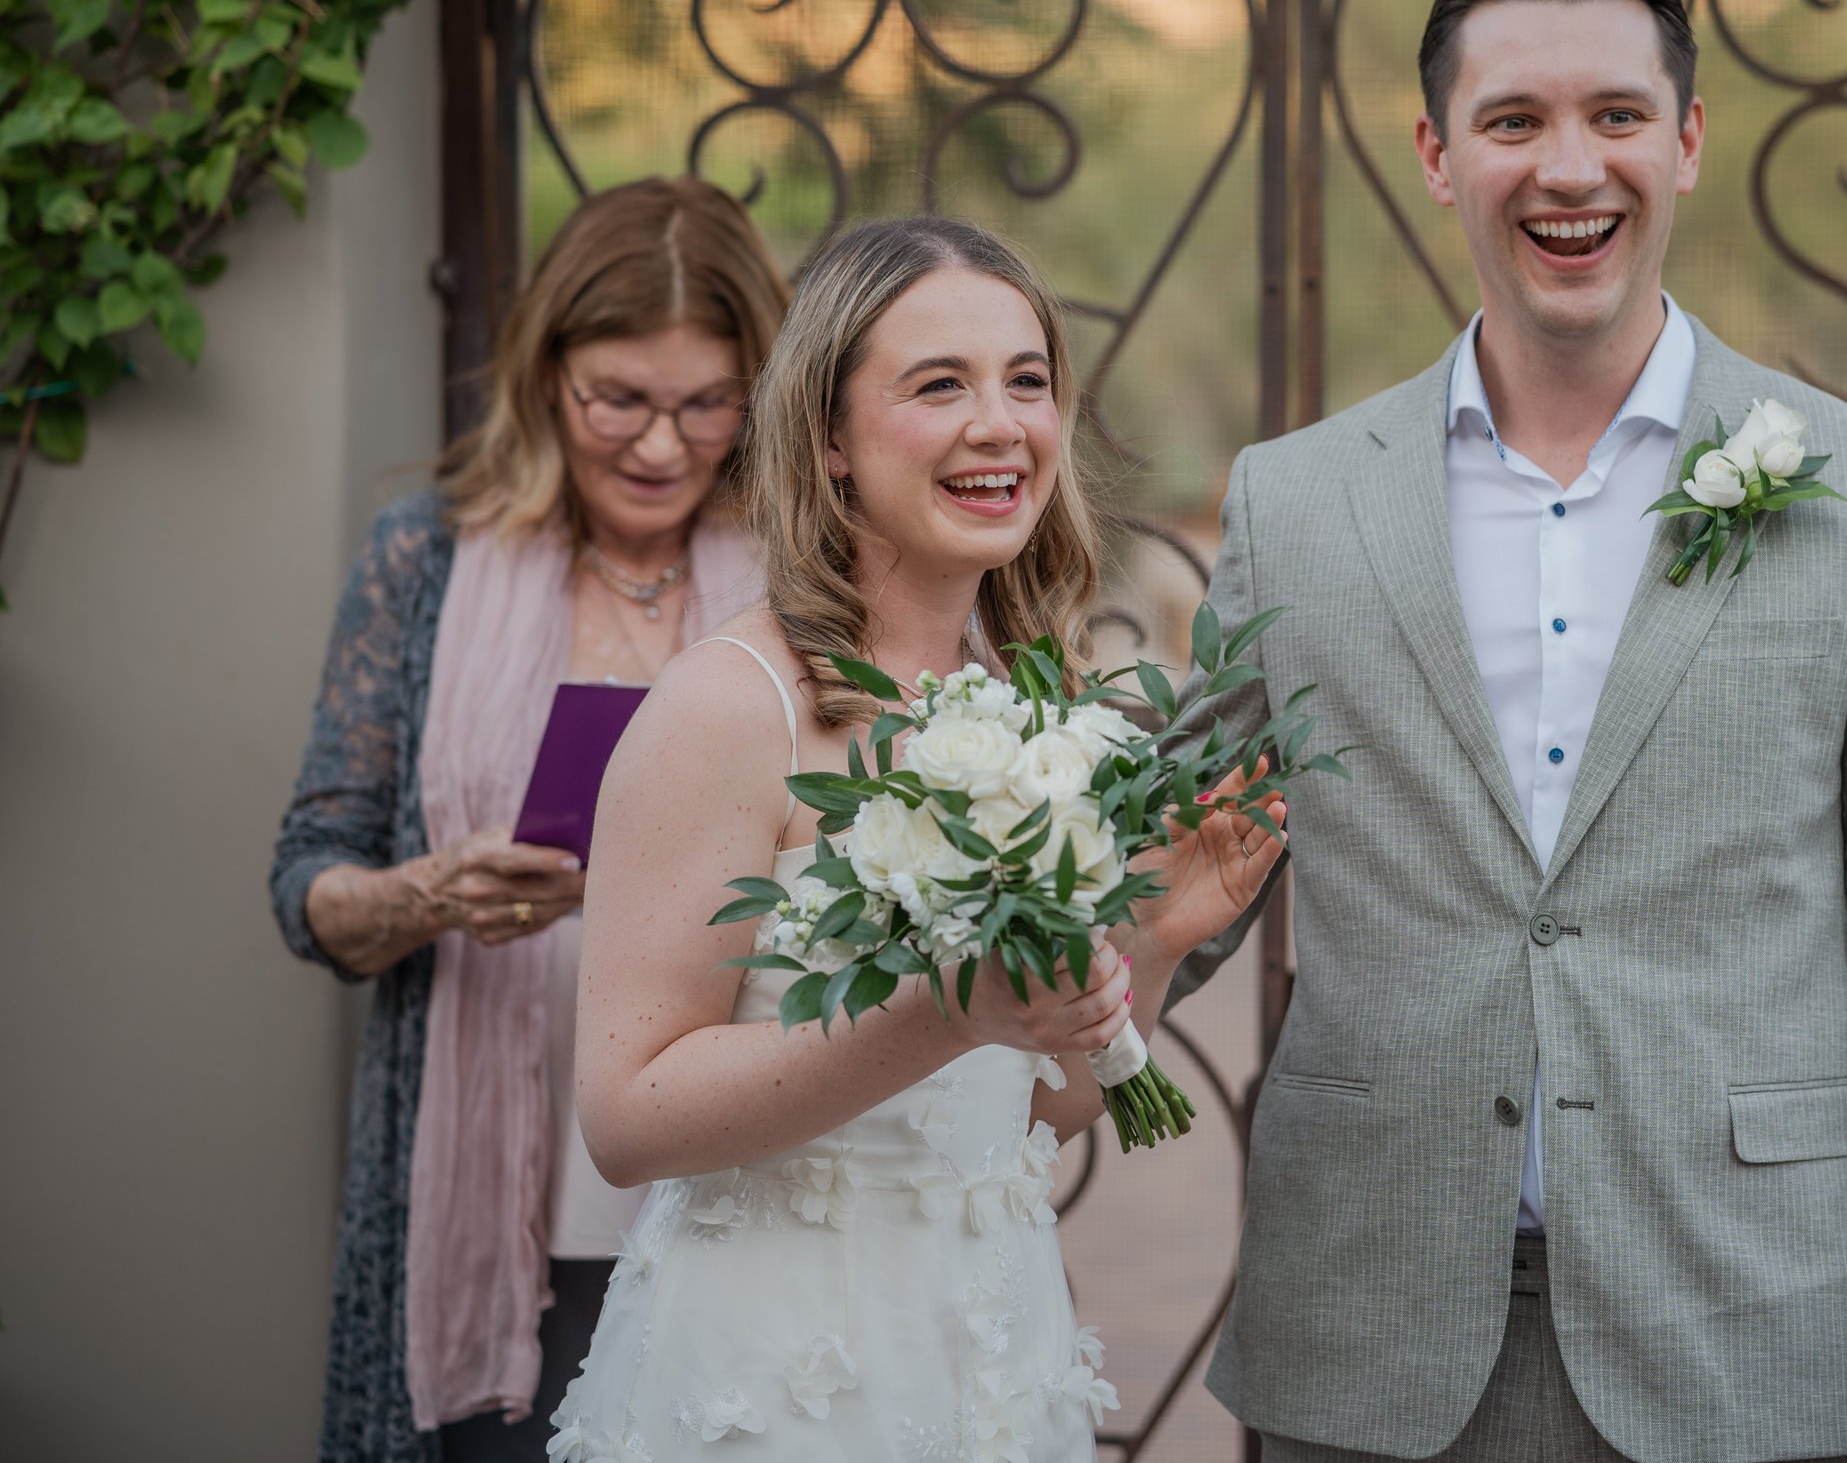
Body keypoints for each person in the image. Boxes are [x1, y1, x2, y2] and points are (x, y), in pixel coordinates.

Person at [1154, 0, 1847, 1463]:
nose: (1570, 169)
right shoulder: (1293, 503)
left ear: (1686, 141)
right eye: (1513, 120)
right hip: (1371, 1350)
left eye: (1617, 115)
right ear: (1438, 155)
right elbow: (1174, 881)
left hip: (1758, 1342)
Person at [548, 215, 1283, 1463]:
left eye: (1026, 381)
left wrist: (1151, 940)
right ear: (828, 436)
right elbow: (626, 1114)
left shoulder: (1037, 706)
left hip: (988, 1354)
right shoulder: (730, 705)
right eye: (939, 384)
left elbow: (1027, 1108)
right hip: (774, 1379)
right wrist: (946, 1010)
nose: (1000, 424)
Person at [270, 177, 794, 1462]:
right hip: (475, 1203)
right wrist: (425, 892)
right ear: (545, 369)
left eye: (707, 403)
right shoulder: (424, 558)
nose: (661, 445)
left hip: (740, 1178)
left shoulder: (803, 582)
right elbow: (307, 880)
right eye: (619, 398)